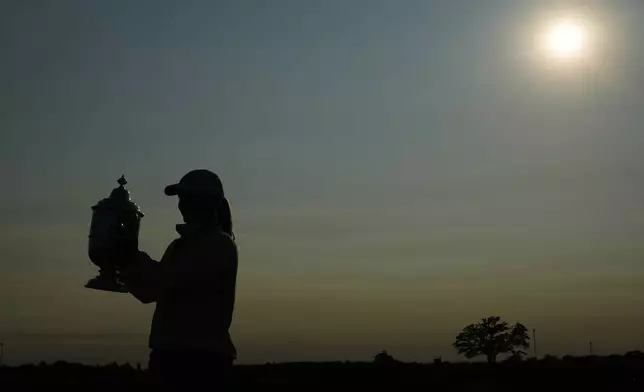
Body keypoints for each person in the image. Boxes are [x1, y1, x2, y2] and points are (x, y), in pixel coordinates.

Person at [117, 169, 238, 391]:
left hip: (201, 365)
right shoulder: (179, 246)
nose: (181, 205)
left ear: (207, 203)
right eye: (182, 199)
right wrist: (125, 261)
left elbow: (163, 284)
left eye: (188, 198)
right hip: (170, 359)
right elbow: (148, 291)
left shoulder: (218, 246)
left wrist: (131, 255)